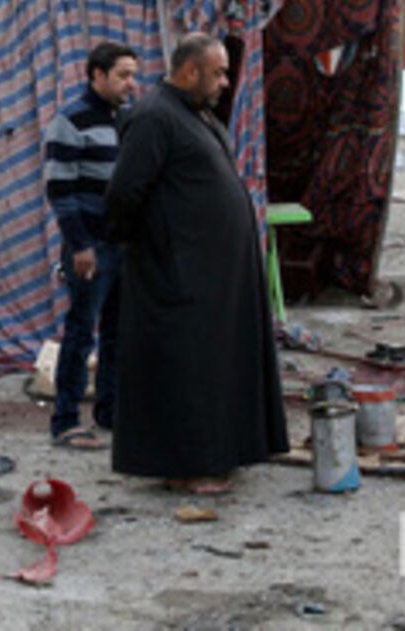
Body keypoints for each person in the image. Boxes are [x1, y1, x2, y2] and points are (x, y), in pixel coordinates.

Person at [105, 33, 288, 493]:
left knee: (217, 366)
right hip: (181, 275)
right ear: (189, 72)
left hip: (213, 276)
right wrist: (163, 251)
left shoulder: (192, 115)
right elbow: (124, 194)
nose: (225, 82)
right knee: (190, 370)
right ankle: (189, 467)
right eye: (218, 72)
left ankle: (222, 454)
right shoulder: (153, 118)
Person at [44, 41, 139, 448]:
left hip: (121, 244)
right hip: (90, 246)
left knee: (118, 331)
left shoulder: (127, 120)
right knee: (81, 331)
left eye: (133, 75)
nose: (130, 84)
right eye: (122, 75)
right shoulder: (70, 121)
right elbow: (59, 190)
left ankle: (110, 410)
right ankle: (65, 420)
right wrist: (79, 245)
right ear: (96, 75)